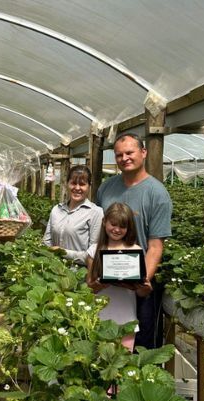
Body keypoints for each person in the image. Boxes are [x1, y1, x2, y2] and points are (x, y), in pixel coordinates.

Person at [96, 133, 172, 349]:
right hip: (108, 281)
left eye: (130, 152)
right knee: (105, 340)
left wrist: (142, 281)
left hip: (139, 284)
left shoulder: (157, 193)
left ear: (143, 153)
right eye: (119, 154)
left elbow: (156, 245)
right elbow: (99, 231)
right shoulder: (106, 188)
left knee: (141, 343)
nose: (124, 158)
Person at [86, 203, 152, 352]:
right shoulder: (94, 251)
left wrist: (146, 288)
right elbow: (89, 287)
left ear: (129, 228)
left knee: (123, 362)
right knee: (99, 362)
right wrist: (100, 284)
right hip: (99, 317)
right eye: (113, 224)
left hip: (126, 319)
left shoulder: (136, 251)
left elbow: (142, 292)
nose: (116, 229)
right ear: (104, 222)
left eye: (122, 226)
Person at [43, 165, 103, 265]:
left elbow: (93, 254)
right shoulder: (56, 210)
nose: (77, 188)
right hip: (52, 272)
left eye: (82, 184)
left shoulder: (95, 212)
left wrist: (63, 252)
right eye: (73, 183)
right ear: (67, 183)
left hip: (78, 275)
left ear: (89, 186)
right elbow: (46, 242)